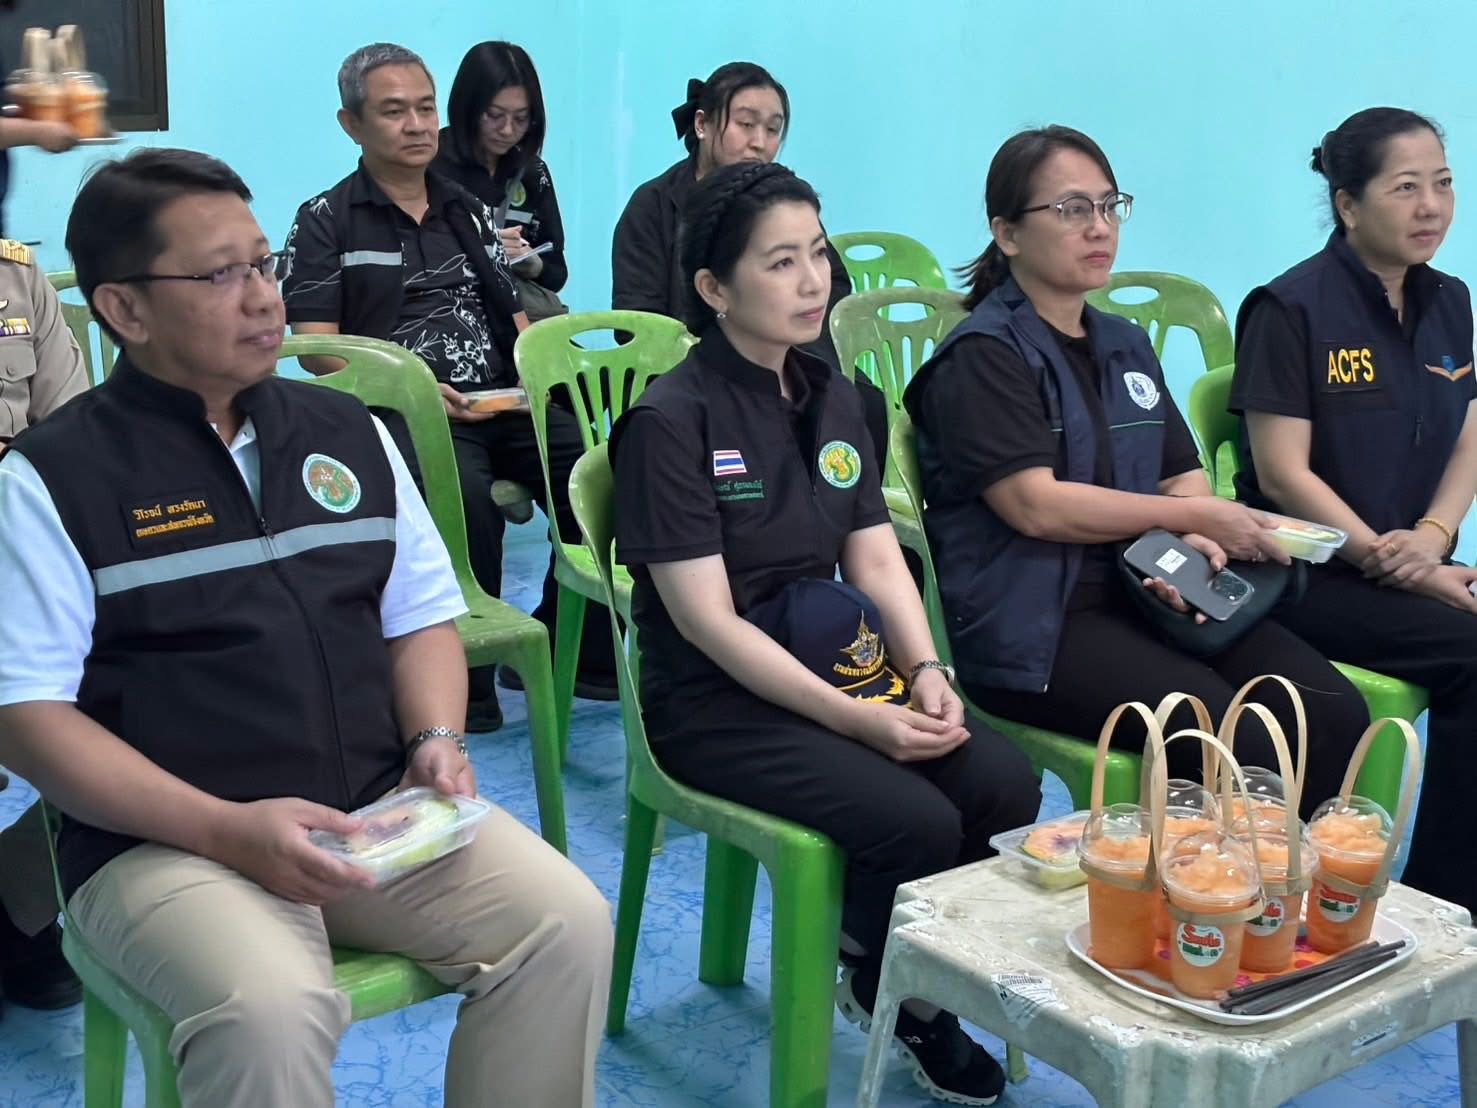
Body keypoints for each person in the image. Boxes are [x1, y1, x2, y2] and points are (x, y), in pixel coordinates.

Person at [0, 147, 611, 1106]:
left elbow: (418, 620)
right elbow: (28, 718)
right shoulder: (54, 477)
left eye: (261, 264)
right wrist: (225, 829)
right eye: (218, 275)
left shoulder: (344, 432)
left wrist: (437, 741)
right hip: (166, 843)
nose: (262, 299)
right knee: (269, 1008)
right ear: (123, 310)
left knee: (564, 922)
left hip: (370, 810)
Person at [611, 161, 1041, 1106]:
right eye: (779, 263)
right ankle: (905, 990)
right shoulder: (669, 422)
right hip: (714, 700)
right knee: (916, 817)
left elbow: (877, 557)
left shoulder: (835, 397)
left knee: (1006, 780)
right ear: (714, 290)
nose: (813, 281)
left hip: (834, 663)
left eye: (817, 253)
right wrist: (859, 724)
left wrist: (925, 670)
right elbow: (706, 622)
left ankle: (876, 952)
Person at [903, 126, 1369, 810]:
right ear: (1006, 234)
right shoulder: (981, 358)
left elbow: (1176, 470)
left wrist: (1194, 540)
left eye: (1107, 206)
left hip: (1144, 591)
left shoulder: (1121, 344)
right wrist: (1190, 517)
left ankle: (1279, 899)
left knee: (1327, 709)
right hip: (1039, 623)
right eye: (1069, 210)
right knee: (1220, 731)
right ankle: (1200, 905)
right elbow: (1035, 506)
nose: (1097, 228)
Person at [281, 43, 615, 733]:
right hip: (406, 410)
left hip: (498, 398)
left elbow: (511, 305)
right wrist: (410, 386)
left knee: (598, 466)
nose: (415, 125)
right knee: (461, 496)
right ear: (352, 124)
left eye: (424, 108)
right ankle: (468, 678)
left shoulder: (466, 209)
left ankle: (578, 647)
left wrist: (532, 369)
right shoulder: (326, 217)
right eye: (393, 111)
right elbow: (315, 345)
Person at [1230, 107, 1477, 913]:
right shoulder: (1288, 309)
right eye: (1405, 188)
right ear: (1346, 204)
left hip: (1408, 562)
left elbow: (1468, 431)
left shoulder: (1449, 301)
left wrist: (1435, 538)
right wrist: (1389, 561)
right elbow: (1282, 472)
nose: (1430, 207)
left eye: (1441, 184)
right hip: (1311, 572)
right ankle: (1446, 901)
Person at [610, 61, 890, 462]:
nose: (760, 142)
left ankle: (842, 516)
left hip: (788, 358)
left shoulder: (782, 200)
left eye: (773, 129)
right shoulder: (652, 206)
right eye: (746, 124)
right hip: (696, 369)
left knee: (863, 404)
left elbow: (837, 288)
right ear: (703, 124)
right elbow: (636, 320)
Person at [0, 243, 89, 1017]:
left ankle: (17, 908)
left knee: (162, 682)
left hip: (17, 538)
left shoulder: (16, 277)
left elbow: (71, 437)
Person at [432, 41, 567, 321]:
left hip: (521, 325)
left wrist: (534, 266)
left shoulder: (532, 173)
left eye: (521, 118)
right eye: (494, 115)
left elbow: (557, 273)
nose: (507, 130)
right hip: (448, 321)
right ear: (467, 107)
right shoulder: (430, 165)